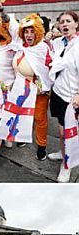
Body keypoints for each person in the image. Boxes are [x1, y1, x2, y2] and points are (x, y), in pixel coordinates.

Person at [11, 12, 53, 160]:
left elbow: (49, 68)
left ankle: (41, 146)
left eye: (32, 31)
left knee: (40, 118)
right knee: (23, 114)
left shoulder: (43, 48)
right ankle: (22, 137)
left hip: (38, 90)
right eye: (26, 31)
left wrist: (43, 85)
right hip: (22, 89)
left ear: (38, 32)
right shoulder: (20, 47)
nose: (29, 35)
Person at [47, 11, 79, 182]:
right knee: (61, 132)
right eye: (61, 22)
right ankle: (63, 152)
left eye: (68, 21)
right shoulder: (57, 43)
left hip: (72, 97)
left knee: (67, 132)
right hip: (58, 93)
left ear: (76, 24)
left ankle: (67, 166)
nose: (65, 24)